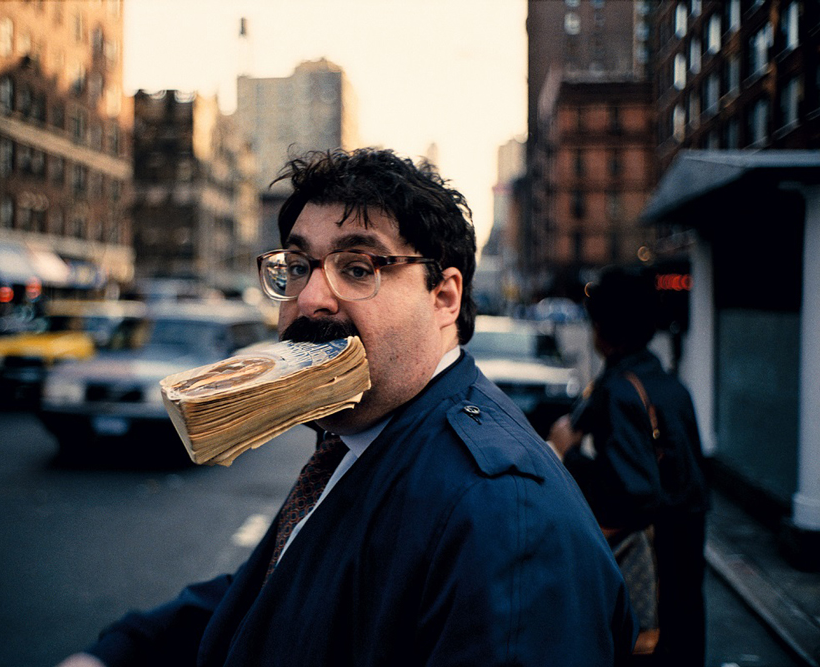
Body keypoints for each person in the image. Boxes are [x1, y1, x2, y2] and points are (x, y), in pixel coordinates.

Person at [58, 148, 636, 667]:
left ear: (444, 298)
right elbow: (280, 592)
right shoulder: (357, 434)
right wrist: (118, 653)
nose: (310, 298)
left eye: (358, 268)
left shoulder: (506, 518)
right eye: (299, 266)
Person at [547, 266, 710, 667]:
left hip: (649, 581)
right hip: (684, 570)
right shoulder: (669, 384)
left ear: (602, 326)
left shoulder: (620, 392)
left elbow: (631, 492)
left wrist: (565, 452)